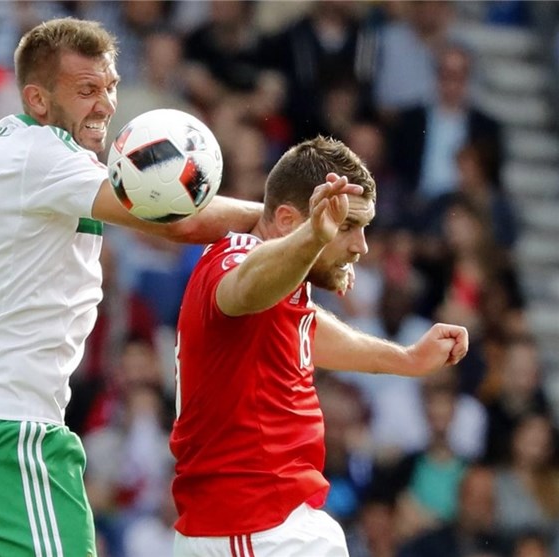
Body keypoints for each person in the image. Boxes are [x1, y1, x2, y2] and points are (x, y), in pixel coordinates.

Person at [0, 17, 261, 557]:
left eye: (110, 86)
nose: (105, 104)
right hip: (6, 439)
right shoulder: (48, 155)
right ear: (38, 98)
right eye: (86, 90)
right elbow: (176, 220)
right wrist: (282, 221)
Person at [170, 136, 469, 556]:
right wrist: (313, 238)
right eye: (346, 226)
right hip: (251, 530)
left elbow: (304, 327)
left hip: (272, 526)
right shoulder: (235, 263)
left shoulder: (283, 282)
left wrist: (406, 359)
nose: (361, 246)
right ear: (288, 221)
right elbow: (246, 288)